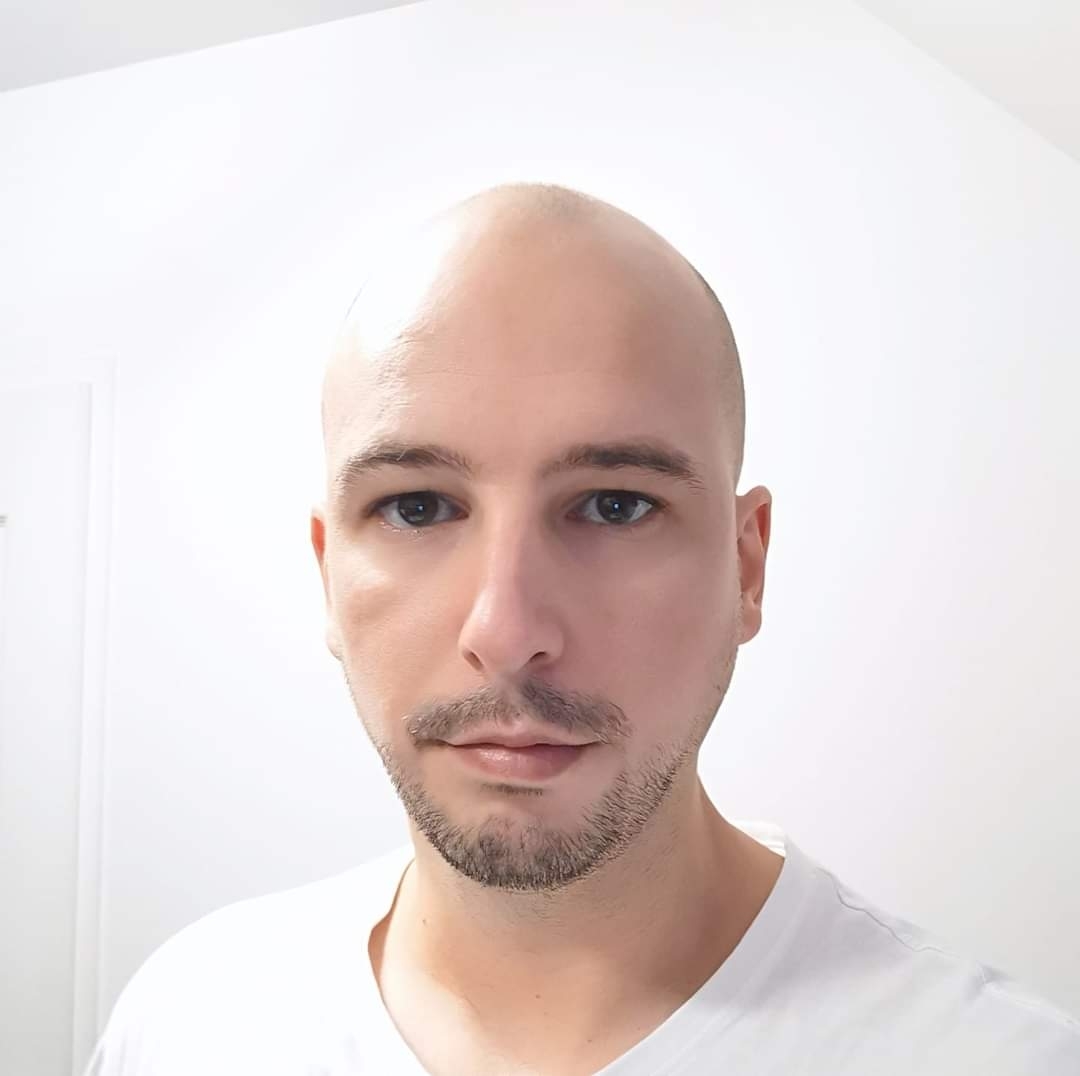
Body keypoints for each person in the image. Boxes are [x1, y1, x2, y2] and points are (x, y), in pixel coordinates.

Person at [86, 182, 1079, 1075]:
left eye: (614, 504)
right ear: (326, 574)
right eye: (417, 507)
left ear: (745, 565)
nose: (506, 629)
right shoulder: (187, 1023)